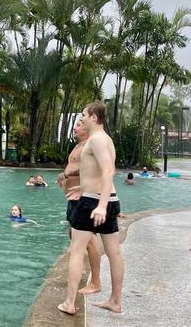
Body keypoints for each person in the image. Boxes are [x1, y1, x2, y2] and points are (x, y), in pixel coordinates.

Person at [59, 101, 124, 315]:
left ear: (94, 118)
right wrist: (83, 187)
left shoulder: (95, 140)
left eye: (84, 115)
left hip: (96, 203)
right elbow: (97, 173)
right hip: (107, 198)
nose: (82, 118)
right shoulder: (106, 139)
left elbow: (107, 171)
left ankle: (69, 303)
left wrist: (101, 205)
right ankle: (115, 301)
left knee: (76, 251)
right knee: (114, 253)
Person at [56, 118, 102, 296]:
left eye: (79, 125)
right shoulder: (78, 145)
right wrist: (64, 176)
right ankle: (81, 268)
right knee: (72, 234)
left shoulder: (89, 146)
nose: (75, 128)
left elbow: (94, 169)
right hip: (73, 199)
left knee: (89, 241)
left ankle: (96, 281)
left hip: (84, 198)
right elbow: (73, 166)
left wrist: (67, 173)